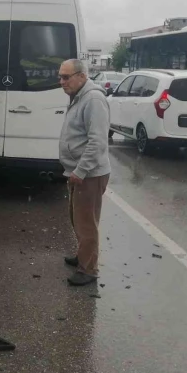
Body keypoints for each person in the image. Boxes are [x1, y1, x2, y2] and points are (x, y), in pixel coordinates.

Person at [58, 59, 111, 286]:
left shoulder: (93, 99)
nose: (61, 82)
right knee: (77, 218)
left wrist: (80, 171)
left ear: (81, 76)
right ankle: (83, 255)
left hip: (89, 174)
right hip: (79, 172)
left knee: (86, 223)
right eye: (60, 76)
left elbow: (97, 141)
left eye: (66, 77)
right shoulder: (79, 97)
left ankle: (88, 269)